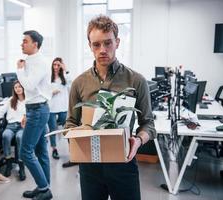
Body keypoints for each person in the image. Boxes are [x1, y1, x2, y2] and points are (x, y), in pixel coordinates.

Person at [65, 15, 156, 200]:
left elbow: (149, 125)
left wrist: (137, 141)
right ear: (90, 45)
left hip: (123, 163)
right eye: (96, 44)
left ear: (118, 42)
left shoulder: (136, 80)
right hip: (89, 166)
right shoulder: (79, 83)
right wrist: (75, 139)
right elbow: (70, 123)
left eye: (108, 43)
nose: (102, 50)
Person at [16, 30, 53, 200]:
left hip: (38, 111)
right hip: (35, 109)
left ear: (35, 44)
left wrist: (19, 71)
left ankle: (44, 188)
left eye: (25, 41)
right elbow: (32, 93)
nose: (22, 44)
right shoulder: (31, 61)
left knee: (25, 152)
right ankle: (43, 187)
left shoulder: (40, 62)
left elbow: (29, 86)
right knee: (40, 151)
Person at [0, 80, 26, 181]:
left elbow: (31, 114)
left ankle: (21, 166)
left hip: (22, 126)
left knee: (19, 137)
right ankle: (8, 163)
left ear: (23, 88)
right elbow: (1, 112)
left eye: (20, 87)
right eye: (16, 87)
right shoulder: (11, 100)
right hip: (11, 126)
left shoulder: (28, 100)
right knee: (5, 135)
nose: (18, 89)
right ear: (14, 89)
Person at [48, 57, 70, 160]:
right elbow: (43, 91)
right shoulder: (48, 78)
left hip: (63, 107)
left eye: (58, 65)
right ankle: (54, 149)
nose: (56, 67)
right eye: (54, 65)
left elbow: (72, 82)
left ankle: (72, 149)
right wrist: (51, 92)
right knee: (52, 129)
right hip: (51, 108)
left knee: (65, 125)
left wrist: (65, 69)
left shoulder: (64, 77)